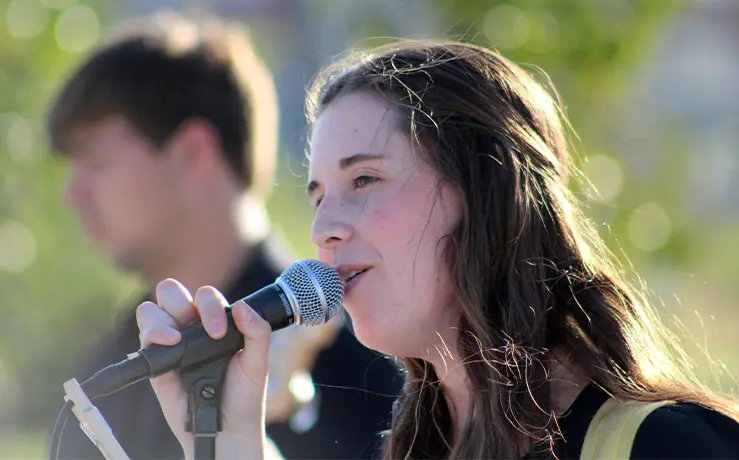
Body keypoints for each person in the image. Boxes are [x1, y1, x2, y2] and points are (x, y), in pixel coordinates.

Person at [137, 39, 739, 459]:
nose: (324, 229)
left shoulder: (666, 446)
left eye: (364, 179)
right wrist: (222, 437)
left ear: (484, 192)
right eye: (318, 196)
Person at [45, 12, 401, 460]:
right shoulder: (116, 368)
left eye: (94, 160)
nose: (71, 193)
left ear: (193, 151)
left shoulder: (369, 354)